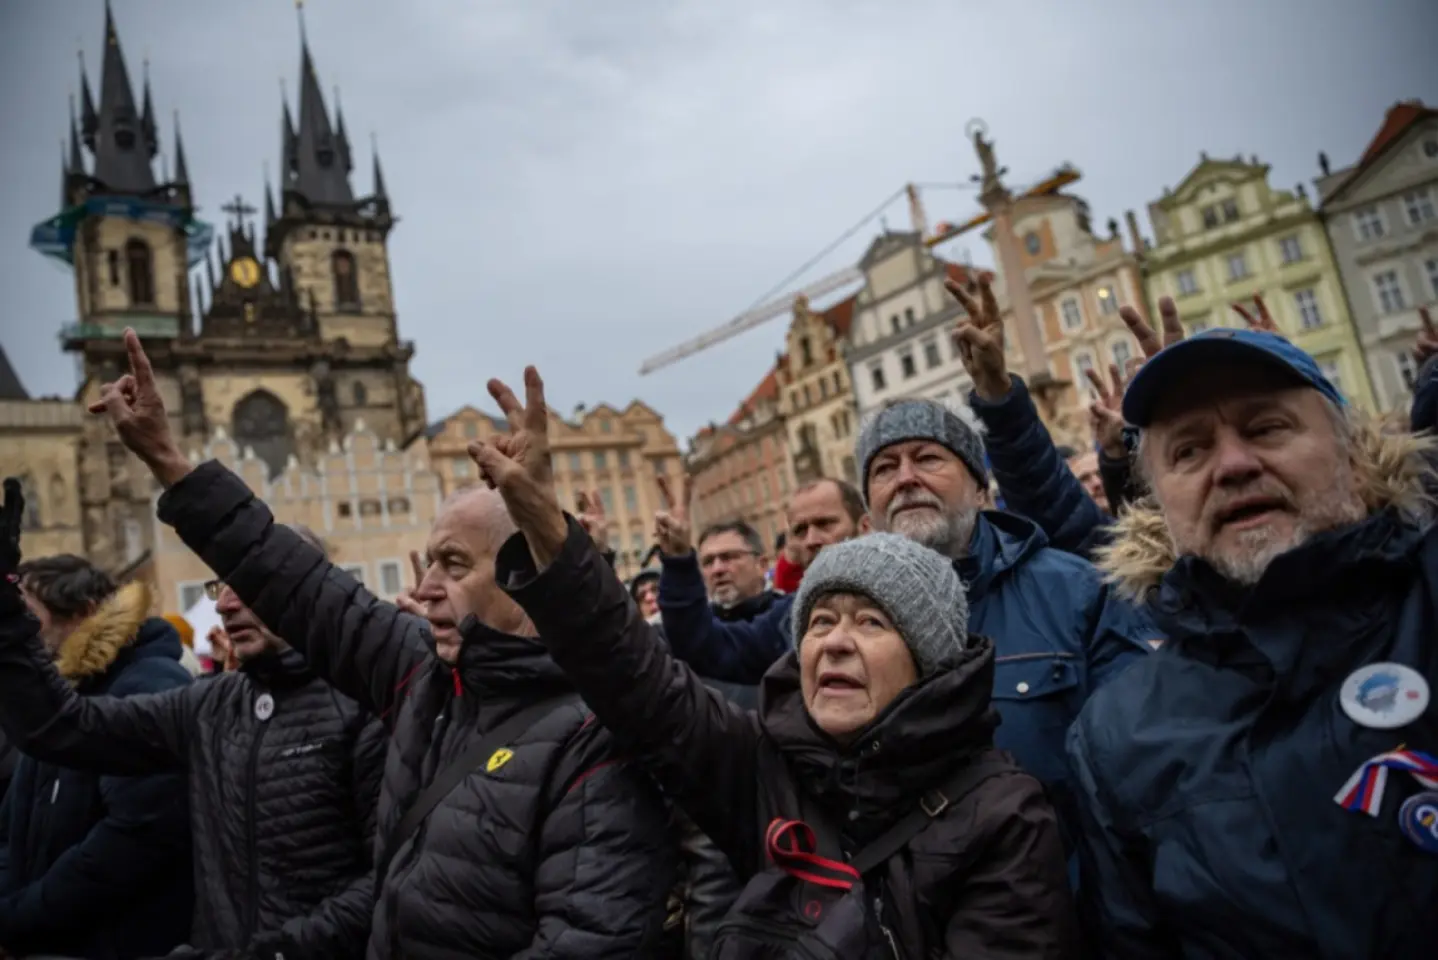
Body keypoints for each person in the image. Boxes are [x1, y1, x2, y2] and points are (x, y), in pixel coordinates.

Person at [86, 329, 677, 958]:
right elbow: (299, 585)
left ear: (525, 574)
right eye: (429, 562)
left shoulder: (596, 734)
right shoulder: (428, 677)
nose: (425, 588)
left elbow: (588, 942)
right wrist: (169, 461)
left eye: (454, 564)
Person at [466, 365, 1079, 957]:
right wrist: (544, 524)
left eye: (871, 623)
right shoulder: (764, 767)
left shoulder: (1004, 816)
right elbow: (633, 675)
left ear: (929, 657)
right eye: (820, 621)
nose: (836, 642)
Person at [1068, 299, 1438, 957]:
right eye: (1189, 451)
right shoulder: (1115, 736)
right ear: (1159, 503)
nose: (1233, 464)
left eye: (1266, 428)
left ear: (1353, 457)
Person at [0, 516, 384, 956]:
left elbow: (391, 874)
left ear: (310, 587)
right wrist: (9, 619)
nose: (225, 605)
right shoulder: (209, 704)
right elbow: (65, 727)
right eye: (221, 586)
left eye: (248, 583)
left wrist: (281, 952)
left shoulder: (364, 706)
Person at [0, 546, 193, 959]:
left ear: (83, 612)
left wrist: (20, 917)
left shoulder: (147, 685)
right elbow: (11, 832)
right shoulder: (58, 700)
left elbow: (135, 839)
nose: (20, 633)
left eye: (29, 617)